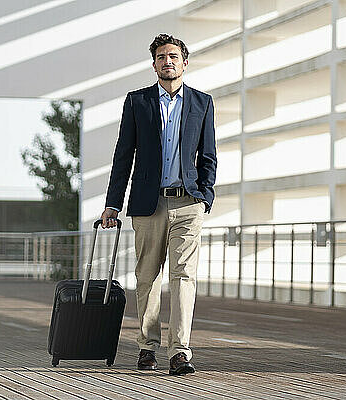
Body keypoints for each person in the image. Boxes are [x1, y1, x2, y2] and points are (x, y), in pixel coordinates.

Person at [100, 33, 217, 376]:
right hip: (148, 205)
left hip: (187, 204)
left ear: (185, 62)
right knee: (147, 276)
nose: (168, 61)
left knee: (185, 276)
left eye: (173, 56)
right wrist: (112, 204)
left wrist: (204, 197)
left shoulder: (202, 103)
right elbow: (123, 156)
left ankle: (180, 351)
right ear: (154, 64)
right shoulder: (137, 102)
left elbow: (208, 155)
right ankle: (147, 347)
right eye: (162, 57)